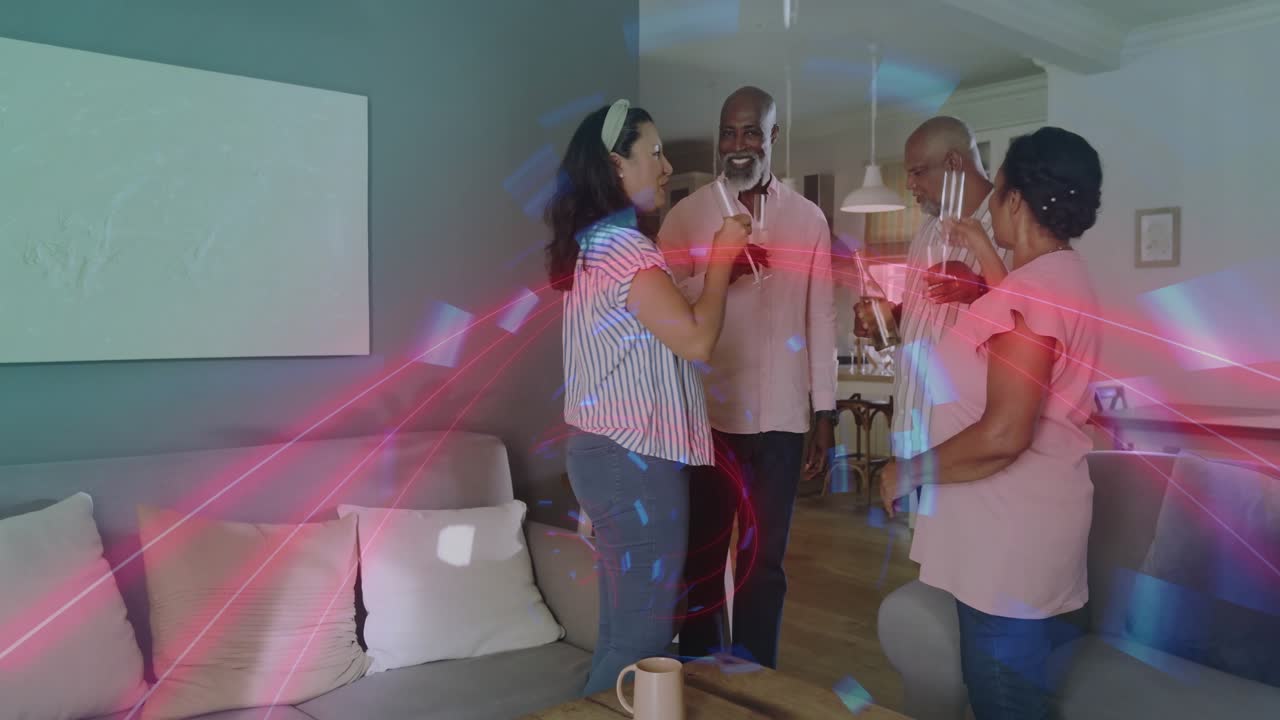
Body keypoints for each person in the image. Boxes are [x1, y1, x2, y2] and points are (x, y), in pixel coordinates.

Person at [878, 126, 1104, 719]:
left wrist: (906, 471)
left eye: (998, 191)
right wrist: (982, 249)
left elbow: (1006, 434)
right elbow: (1021, 334)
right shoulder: (1059, 277)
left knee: (1004, 699)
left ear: (1016, 201)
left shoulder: (1038, 291)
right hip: (1019, 526)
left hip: (1008, 536)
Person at [546, 99, 751, 696]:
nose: (666, 168)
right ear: (616, 165)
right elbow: (695, 340)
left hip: (606, 456)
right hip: (633, 461)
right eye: (654, 153)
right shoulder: (626, 249)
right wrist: (719, 262)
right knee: (643, 644)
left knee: (620, 635)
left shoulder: (595, 248)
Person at [658, 86, 837, 669]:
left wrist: (826, 412)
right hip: (706, 420)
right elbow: (660, 309)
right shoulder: (685, 217)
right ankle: (700, 677)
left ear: (773, 138)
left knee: (765, 564)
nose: (739, 145)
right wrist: (718, 271)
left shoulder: (808, 221)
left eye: (752, 132)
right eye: (730, 133)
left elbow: (821, 318)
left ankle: (759, 680)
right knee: (704, 557)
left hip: (782, 421)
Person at [855, 116, 1012, 521]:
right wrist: (886, 322)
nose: (910, 184)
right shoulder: (926, 232)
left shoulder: (1009, 226)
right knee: (928, 569)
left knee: (972, 567)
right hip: (913, 432)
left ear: (956, 163)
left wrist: (979, 286)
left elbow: (1028, 320)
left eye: (917, 171)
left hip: (966, 441)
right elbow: (923, 318)